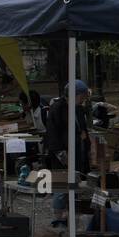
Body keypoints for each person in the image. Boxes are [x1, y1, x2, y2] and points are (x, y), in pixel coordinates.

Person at [44, 80, 91, 225]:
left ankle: (71, 213)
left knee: (76, 183)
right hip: (62, 152)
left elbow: (82, 128)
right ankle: (59, 216)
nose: (83, 99)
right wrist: (62, 154)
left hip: (78, 150)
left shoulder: (78, 109)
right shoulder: (57, 108)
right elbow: (53, 133)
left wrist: (86, 142)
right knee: (62, 185)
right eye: (82, 96)